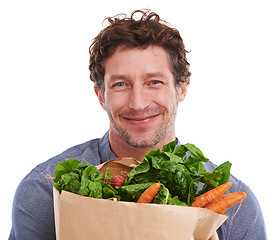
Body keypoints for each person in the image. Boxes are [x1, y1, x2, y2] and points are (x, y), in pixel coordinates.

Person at [9, 9, 267, 240]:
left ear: (181, 88)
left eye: (154, 82)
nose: (138, 103)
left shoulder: (235, 209)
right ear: (101, 96)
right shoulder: (45, 192)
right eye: (120, 84)